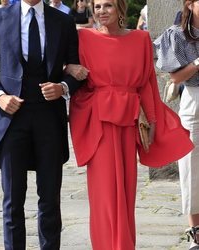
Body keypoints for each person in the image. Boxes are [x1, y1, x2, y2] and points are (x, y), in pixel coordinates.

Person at [64, 0, 194, 249]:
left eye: (108, 6)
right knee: (104, 193)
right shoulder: (83, 38)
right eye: (98, 6)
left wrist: (153, 120)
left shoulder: (140, 39)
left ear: (120, 9)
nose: (102, 11)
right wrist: (69, 67)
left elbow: (147, 84)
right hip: (98, 122)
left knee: (125, 191)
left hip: (130, 121)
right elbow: (65, 68)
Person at [0, 0, 82, 249]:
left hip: (49, 119)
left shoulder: (63, 20)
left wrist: (63, 87)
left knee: (50, 199)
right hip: (12, 119)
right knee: (13, 199)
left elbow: (75, 70)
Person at [154, 1, 199, 249]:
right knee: (191, 166)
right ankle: (195, 231)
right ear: (190, 5)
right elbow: (176, 77)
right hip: (194, 97)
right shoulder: (178, 34)